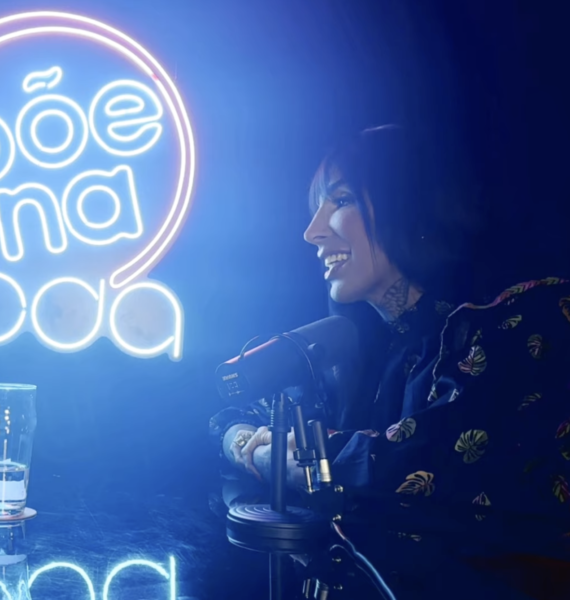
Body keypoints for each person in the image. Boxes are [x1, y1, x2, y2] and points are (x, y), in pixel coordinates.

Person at [211, 125, 570, 599]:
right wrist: (250, 445)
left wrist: (280, 456)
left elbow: (411, 465)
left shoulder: (522, 318)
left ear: (411, 201)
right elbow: (233, 417)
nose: (312, 231)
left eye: (341, 200)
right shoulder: (370, 348)